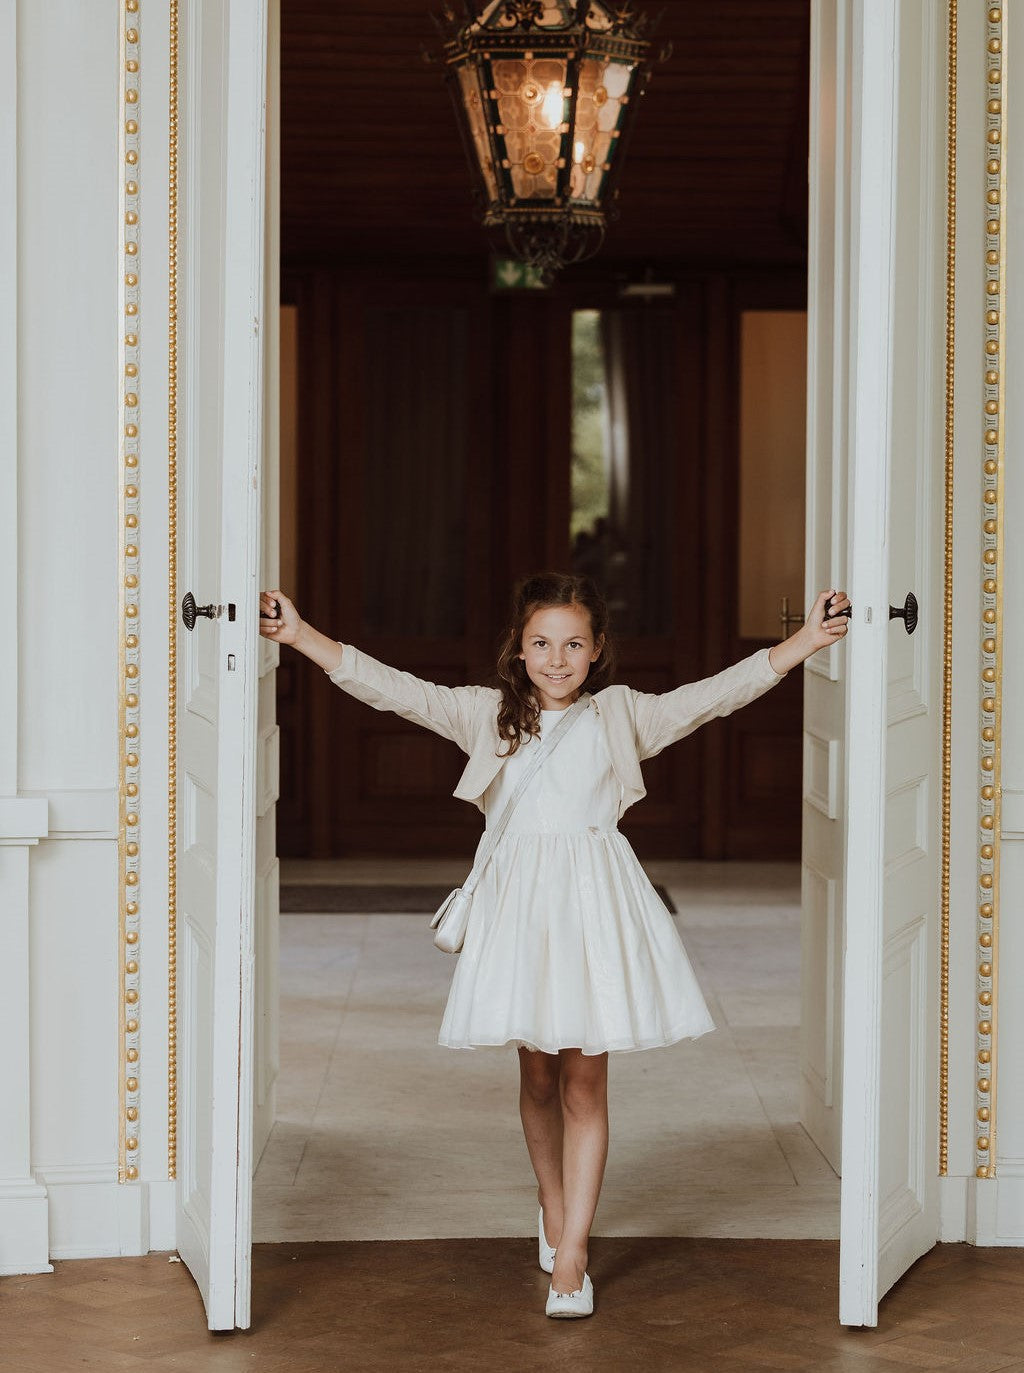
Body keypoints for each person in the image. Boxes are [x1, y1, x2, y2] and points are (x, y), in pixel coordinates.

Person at [259, 573, 851, 1318]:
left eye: (574, 643)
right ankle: (551, 1202)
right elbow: (392, 688)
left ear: (597, 648)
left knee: (584, 1083)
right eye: (542, 643)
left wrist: (805, 641)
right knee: (538, 1077)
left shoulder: (621, 716)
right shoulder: (487, 716)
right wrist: (299, 634)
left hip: (595, 912)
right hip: (519, 916)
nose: (557, 658)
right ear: (519, 647)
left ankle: (573, 1250)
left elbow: (715, 694)